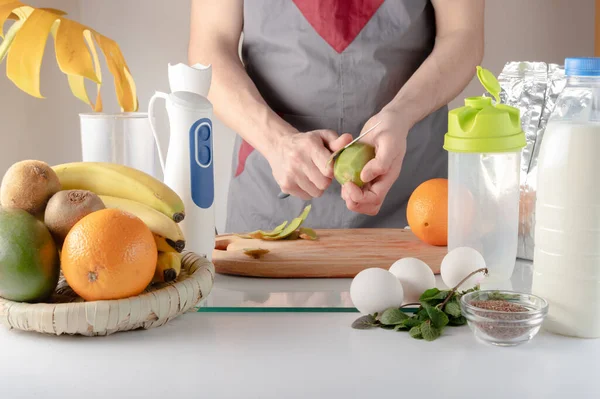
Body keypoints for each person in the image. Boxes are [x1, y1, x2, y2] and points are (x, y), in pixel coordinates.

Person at [189, 0, 484, 233]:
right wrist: (277, 142)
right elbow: (210, 47)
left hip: (414, 195)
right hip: (271, 194)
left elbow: (463, 34)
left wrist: (400, 114)